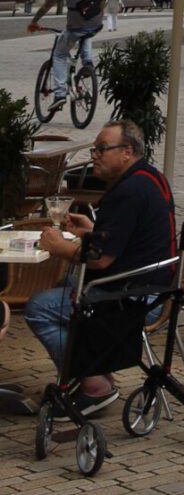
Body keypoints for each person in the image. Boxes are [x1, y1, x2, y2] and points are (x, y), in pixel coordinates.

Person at [23, 121, 175, 405]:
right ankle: (97, 368)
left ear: (127, 151)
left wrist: (59, 246)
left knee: (39, 308)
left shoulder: (127, 192)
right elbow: (129, 240)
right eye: (94, 149)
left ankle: (94, 385)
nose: (94, 155)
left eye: (102, 149)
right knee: (66, 284)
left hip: (135, 298)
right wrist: (91, 231)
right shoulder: (149, 177)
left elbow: (100, 260)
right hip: (155, 287)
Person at [27, 0, 106, 112]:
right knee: (86, 34)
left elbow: (48, 3)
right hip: (95, 27)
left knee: (59, 55)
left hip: (75, 28)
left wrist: (34, 21)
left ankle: (59, 95)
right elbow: (102, 6)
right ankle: (87, 63)